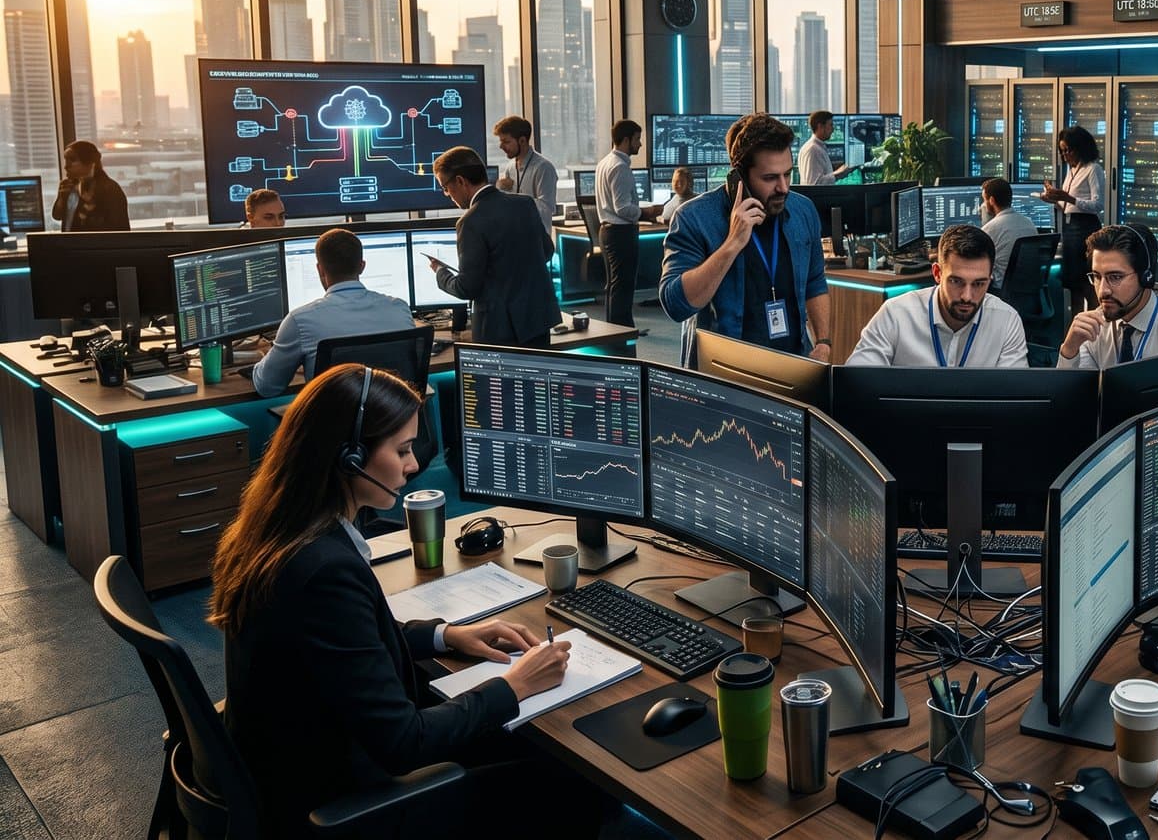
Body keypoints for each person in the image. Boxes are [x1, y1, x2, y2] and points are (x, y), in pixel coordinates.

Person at [210, 365, 605, 838]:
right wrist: (516, 685)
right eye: (400, 450)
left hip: (291, 763)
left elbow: (348, 643)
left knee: (518, 740)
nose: (414, 465)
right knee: (573, 781)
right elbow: (405, 743)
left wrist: (446, 634)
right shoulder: (323, 570)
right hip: (342, 801)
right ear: (349, 458)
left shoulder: (279, 529)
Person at [659, 113, 832, 360]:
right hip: (724, 371)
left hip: (795, 363)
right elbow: (675, 304)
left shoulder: (803, 211)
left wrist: (823, 342)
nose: (783, 187)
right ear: (739, 177)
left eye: (787, 173)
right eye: (770, 178)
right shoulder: (694, 217)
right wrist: (733, 243)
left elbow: (815, 282)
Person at [253, 229, 416, 397]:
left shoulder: (299, 320)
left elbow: (268, 387)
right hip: (397, 418)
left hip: (335, 422)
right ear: (362, 266)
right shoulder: (400, 309)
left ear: (320, 269)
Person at [428, 146, 560, 348]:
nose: (447, 194)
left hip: (500, 330)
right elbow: (547, 251)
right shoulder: (525, 204)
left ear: (461, 181)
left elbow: (467, 288)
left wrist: (440, 272)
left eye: (445, 187)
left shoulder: (470, 221)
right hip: (536, 320)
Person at [847, 225, 1028, 368]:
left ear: (990, 279)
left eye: (979, 284)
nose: (967, 296)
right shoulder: (896, 314)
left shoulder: (1007, 321)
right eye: (956, 282)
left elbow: (1016, 399)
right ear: (937, 273)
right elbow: (858, 383)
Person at [1058, 223, 1158, 370]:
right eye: (1097, 277)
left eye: (1115, 277)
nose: (1103, 290)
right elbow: (1075, 393)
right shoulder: (1093, 328)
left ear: (1146, 277)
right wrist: (1070, 350)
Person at [594, 119, 658, 330]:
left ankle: (616, 330)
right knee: (623, 285)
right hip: (621, 232)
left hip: (608, 231)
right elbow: (622, 208)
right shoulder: (620, 167)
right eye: (637, 139)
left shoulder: (604, 163)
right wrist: (647, 212)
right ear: (625, 140)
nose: (640, 145)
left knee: (615, 285)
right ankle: (623, 330)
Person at [1039, 126, 1104, 314]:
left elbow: (1097, 204)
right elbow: (1067, 206)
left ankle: (1095, 324)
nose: (1065, 155)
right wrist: (1054, 199)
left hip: (1085, 229)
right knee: (1073, 284)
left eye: (1068, 150)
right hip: (1069, 228)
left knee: (1086, 283)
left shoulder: (1093, 169)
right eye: (1062, 151)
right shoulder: (1072, 170)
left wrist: (1067, 198)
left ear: (1080, 148)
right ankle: (1076, 325)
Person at [493, 114, 558, 227]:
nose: (501, 146)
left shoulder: (543, 168)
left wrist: (514, 199)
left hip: (537, 239)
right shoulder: (510, 167)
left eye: (506, 142)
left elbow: (546, 209)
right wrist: (500, 191)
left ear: (522, 140)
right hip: (515, 235)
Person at [54, 140, 129, 231]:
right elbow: (57, 216)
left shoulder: (110, 189)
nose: (66, 166)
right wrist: (61, 199)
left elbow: (116, 228)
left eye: (72, 160)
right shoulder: (69, 186)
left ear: (90, 163)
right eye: (66, 160)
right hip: (71, 243)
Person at [979, 177, 1036, 290]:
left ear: (991, 200)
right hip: (1028, 290)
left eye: (984, 200)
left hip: (1000, 291)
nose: (983, 205)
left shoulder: (990, 229)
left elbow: (975, 259)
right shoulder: (1029, 223)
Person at [796, 109, 851, 186]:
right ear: (820, 126)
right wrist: (839, 174)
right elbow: (814, 184)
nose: (833, 129)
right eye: (830, 125)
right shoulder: (813, 150)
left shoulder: (816, 147)